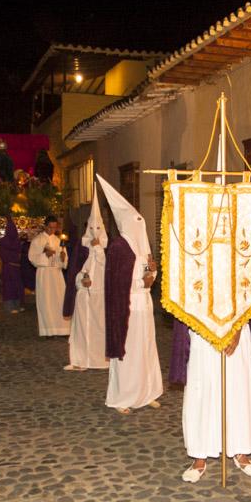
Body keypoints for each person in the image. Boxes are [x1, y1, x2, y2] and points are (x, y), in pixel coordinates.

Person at [99, 175, 163, 414]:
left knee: (145, 348)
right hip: (126, 307)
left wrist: (152, 273)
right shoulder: (118, 247)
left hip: (143, 304)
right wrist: (142, 280)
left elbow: (147, 275)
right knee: (128, 351)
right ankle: (122, 397)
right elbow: (117, 281)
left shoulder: (140, 246)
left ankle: (146, 392)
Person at [180, 325, 251, 483]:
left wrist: (236, 331)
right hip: (203, 328)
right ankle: (199, 454)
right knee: (201, 391)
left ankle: (241, 449)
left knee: (238, 389)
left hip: (236, 327)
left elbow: (250, 300)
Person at [65, 188, 108, 371]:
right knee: (81, 327)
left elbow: (108, 268)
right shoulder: (81, 248)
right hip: (84, 294)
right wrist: (81, 280)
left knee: (99, 327)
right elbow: (75, 269)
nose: (95, 232)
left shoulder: (109, 248)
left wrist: (98, 249)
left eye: (98, 228)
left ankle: (100, 360)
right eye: (91, 228)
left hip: (101, 295)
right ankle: (80, 360)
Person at [28, 215, 70, 336]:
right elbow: (32, 258)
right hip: (44, 274)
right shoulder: (37, 240)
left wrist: (63, 258)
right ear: (45, 226)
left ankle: (62, 329)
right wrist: (45, 255)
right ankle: (48, 330)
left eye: (55, 228)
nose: (52, 230)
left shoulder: (58, 241)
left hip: (56, 274)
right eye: (50, 227)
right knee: (46, 301)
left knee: (59, 300)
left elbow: (64, 259)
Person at [0, 217, 25, 314]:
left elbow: (19, 253)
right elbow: (3, 254)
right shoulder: (4, 241)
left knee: (18, 286)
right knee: (9, 287)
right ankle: (9, 306)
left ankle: (18, 305)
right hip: (8, 268)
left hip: (16, 268)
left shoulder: (17, 241)